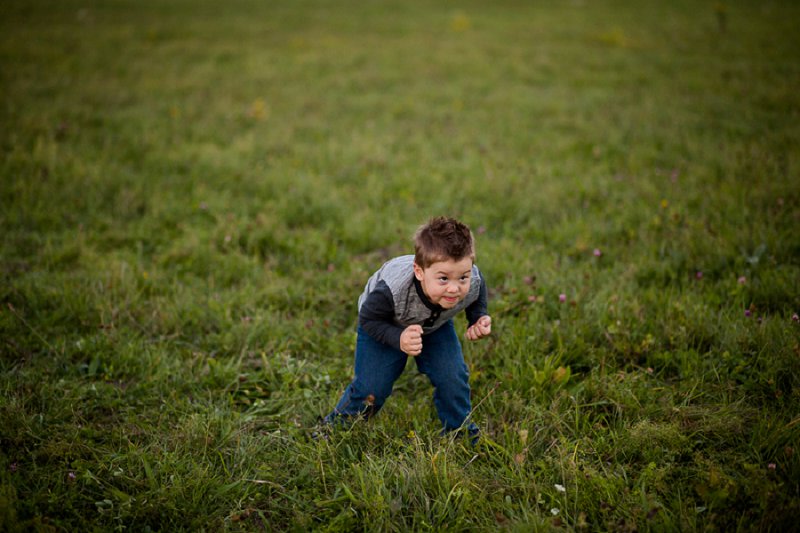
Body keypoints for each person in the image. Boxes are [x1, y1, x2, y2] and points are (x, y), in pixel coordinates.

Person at [323, 216, 492, 439]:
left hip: (434, 326)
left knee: (452, 376)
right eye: (443, 279)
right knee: (373, 387)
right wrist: (398, 337)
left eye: (462, 277)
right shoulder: (392, 290)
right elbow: (369, 319)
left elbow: (477, 288)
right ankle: (335, 429)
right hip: (385, 323)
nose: (454, 288)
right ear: (420, 272)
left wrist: (477, 317)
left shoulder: (471, 279)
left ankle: (459, 432)